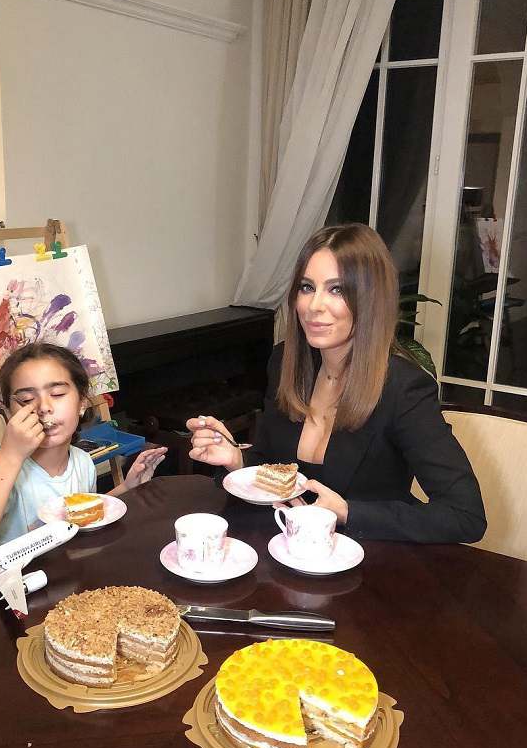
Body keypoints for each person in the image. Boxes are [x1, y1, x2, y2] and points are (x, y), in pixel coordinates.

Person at [188, 224, 486, 543]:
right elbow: (276, 466)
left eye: (337, 290)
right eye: (307, 287)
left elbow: (465, 515)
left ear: (371, 300)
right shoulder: (285, 363)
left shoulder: (404, 389)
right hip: (287, 546)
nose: (314, 306)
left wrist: (347, 512)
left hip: (368, 557)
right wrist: (235, 458)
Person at [0, 343, 167, 548]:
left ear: (82, 403)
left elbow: (78, 515)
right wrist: (10, 456)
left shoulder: (82, 461)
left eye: (57, 394)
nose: (43, 407)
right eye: (27, 399)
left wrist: (126, 488)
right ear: (9, 412)